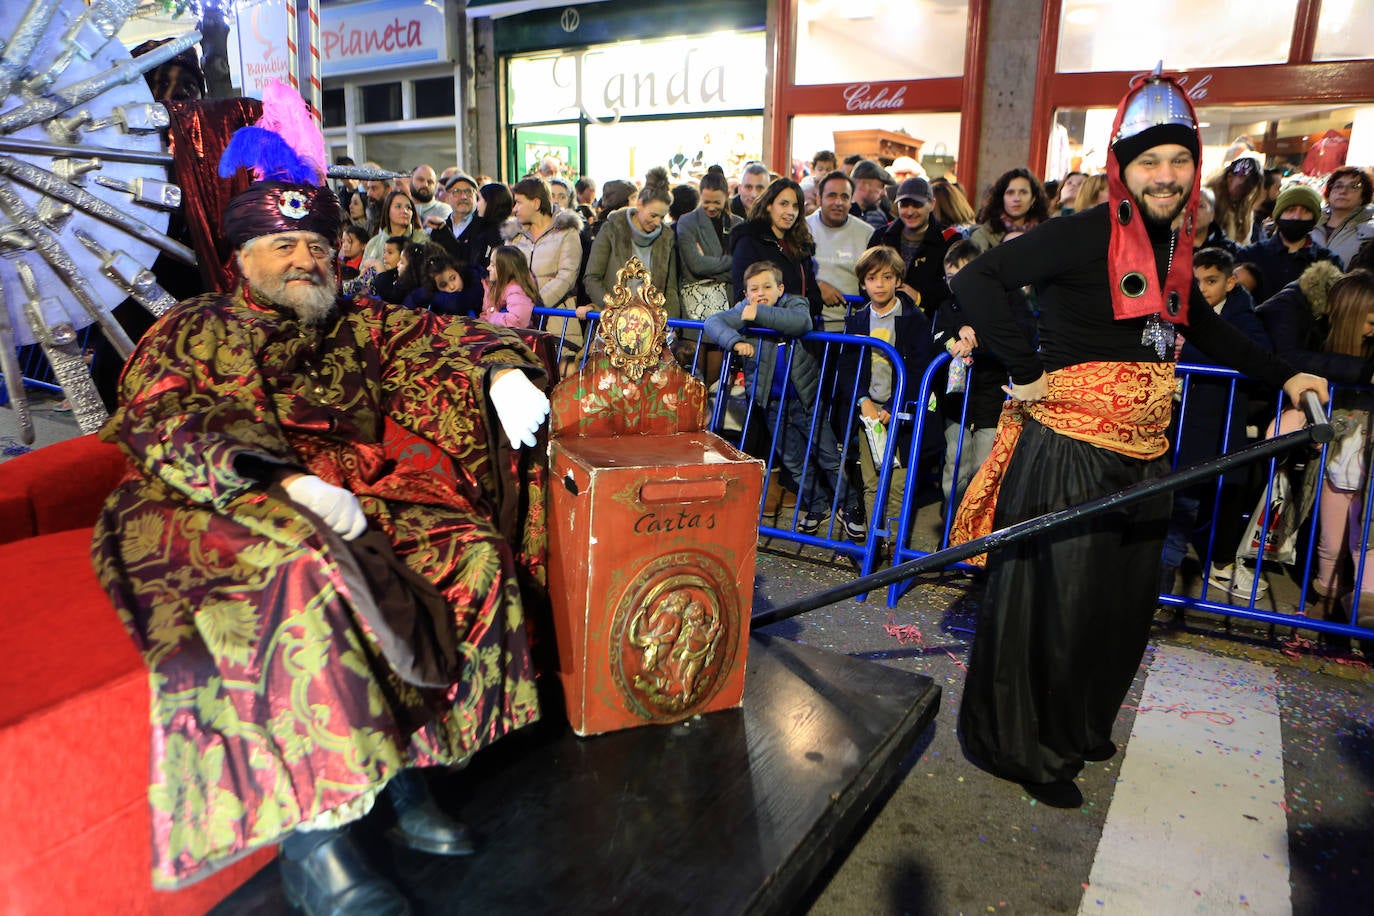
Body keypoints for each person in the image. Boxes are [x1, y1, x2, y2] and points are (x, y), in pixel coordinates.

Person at [93, 98, 553, 909]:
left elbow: (442, 334)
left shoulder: (358, 320)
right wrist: (285, 480)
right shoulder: (194, 326)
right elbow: (163, 412)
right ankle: (318, 842)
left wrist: (503, 370)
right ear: (241, 254)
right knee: (307, 576)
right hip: (231, 500)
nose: (305, 257)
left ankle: (413, 770)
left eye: (316, 243)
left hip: (362, 489)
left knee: (469, 550)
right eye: (283, 244)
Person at [949, 71, 1326, 809]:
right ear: (1123, 166)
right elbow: (981, 278)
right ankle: (1030, 748)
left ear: (1195, 170)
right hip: (1069, 449)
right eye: (1150, 161)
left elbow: (1204, 328)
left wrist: (1285, 376)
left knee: (1117, 608)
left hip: (1144, 452)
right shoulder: (1084, 232)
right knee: (1058, 608)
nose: (1165, 175)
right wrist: (1024, 369)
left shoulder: (1178, 244)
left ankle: (1082, 722)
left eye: (1179, 161)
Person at [704, 261, 862, 537]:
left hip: (805, 399)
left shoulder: (794, 304)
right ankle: (817, 505)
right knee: (794, 462)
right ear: (745, 293)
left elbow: (801, 323)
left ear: (781, 288)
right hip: (773, 404)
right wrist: (734, 341)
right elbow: (713, 322)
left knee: (827, 456)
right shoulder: (745, 310)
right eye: (754, 289)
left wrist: (759, 314)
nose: (761, 293)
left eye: (767, 287)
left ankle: (849, 505)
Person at [1161, 246, 1274, 601]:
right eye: (1196, 280)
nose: (1203, 288)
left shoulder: (1243, 319)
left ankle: (1167, 580)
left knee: (1188, 504)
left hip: (1210, 427)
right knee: (1171, 502)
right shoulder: (1175, 308)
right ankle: (1160, 576)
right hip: (1173, 422)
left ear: (1230, 282)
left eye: (1211, 280)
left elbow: (1255, 355)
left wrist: (1190, 355)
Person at [835, 246, 937, 541]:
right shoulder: (857, 320)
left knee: (899, 483)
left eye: (887, 277)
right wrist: (863, 401)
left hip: (901, 412)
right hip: (869, 414)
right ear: (863, 283)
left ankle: (893, 544)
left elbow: (919, 369)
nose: (879, 285)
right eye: (872, 278)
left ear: (898, 280)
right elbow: (847, 365)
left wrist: (895, 405)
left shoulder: (913, 319)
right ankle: (873, 546)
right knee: (873, 482)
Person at [933, 239, 1031, 519]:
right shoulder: (947, 307)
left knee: (983, 468)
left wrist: (978, 341)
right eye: (950, 278)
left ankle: (976, 528)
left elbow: (1021, 334)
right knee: (955, 466)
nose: (956, 285)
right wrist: (954, 338)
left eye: (962, 277)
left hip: (993, 403)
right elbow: (937, 334)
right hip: (957, 404)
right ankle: (952, 525)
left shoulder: (1006, 300)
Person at [583, 167, 680, 323]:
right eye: (653, 215)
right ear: (640, 204)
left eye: (662, 217)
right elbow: (592, 277)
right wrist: (613, 310)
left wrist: (669, 323)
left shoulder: (666, 237)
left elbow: (670, 289)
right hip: (613, 323)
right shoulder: (612, 229)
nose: (657, 223)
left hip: (650, 326)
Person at [505, 176, 585, 364]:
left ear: (536, 203)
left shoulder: (567, 232)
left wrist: (535, 303)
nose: (514, 209)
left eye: (518, 202)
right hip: (519, 325)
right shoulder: (514, 236)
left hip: (558, 322)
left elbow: (567, 275)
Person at [730, 177, 825, 320]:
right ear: (769, 205)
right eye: (784, 204)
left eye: (795, 206)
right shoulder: (749, 241)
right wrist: (786, 314)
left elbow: (814, 298)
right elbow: (743, 295)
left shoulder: (801, 245)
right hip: (763, 334)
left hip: (797, 331)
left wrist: (797, 315)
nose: (790, 212)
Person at [867, 176, 960, 319]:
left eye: (917, 204)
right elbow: (864, 277)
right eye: (904, 205)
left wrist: (919, 297)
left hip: (928, 323)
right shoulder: (881, 236)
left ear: (932, 204)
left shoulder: (949, 239)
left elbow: (956, 286)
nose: (910, 212)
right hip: (882, 320)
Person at [1237, 183, 1341, 303]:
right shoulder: (1249, 256)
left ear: (1314, 219)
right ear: (1278, 215)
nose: (1296, 216)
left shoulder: (1330, 262)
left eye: (1305, 211)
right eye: (1290, 210)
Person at [806, 170, 877, 330]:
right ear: (819, 199)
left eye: (844, 197)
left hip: (852, 327)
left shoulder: (867, 233)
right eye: (832, 195)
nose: (838, 202)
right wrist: (815, 287)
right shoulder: (802, 229)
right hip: (808, 324)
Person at [968, 167, 1048, 252]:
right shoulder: (983, 235)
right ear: (1002, 198)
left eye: (1023, 192)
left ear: (1033, 199)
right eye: (1010, 193)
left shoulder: (1047, 232)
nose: (1017, 198)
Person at [1312, 167, 1374, 270]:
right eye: (1338, 186)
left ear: (1364, 195)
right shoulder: (1310, 224)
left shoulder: (1371, 231)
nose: (1343, 191)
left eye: (1354, 186)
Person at [481, 244, 539, 328]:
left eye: (493, 265)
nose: (488, 268)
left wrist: (492, 317)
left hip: (518, 338)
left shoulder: (516, 290)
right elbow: (485, 314)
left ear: (506, 269)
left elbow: (517, 321)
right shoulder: (493, 287)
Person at [362, 189, 426, 264]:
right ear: (387, 210)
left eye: (408, 208)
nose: (405, 211)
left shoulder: (421, 238)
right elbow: (363, 273)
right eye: (398, 206)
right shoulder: (374, 243)